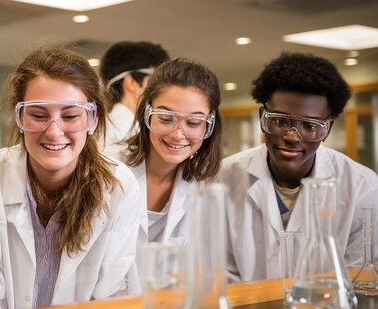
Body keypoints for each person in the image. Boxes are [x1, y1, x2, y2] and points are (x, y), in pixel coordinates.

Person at [0, 46, 142, 309]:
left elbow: (110, 304)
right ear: (20, 117)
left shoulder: (119, 187)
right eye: (38, 115)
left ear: (92, 118)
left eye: (70, 116)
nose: (53, 131)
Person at [218, 52, 378, 282]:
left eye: (309, 125)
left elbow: (359, 277)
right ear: (263, 118)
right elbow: (219, 273)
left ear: (328, 129)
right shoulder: (223, 178)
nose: (293, 136)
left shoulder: (363, 187)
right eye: (280, 122)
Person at [113, 58, 223, 292]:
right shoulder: (109, 172)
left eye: (193, 122)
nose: (178, 134)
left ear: (208, 126)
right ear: (147, 114)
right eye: (165, 118)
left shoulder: (206, 187)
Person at [99, 41, 169, 152]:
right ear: (131, 82)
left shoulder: (103, 127)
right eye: (157, 80)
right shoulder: (127, 131)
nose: (165, 90)